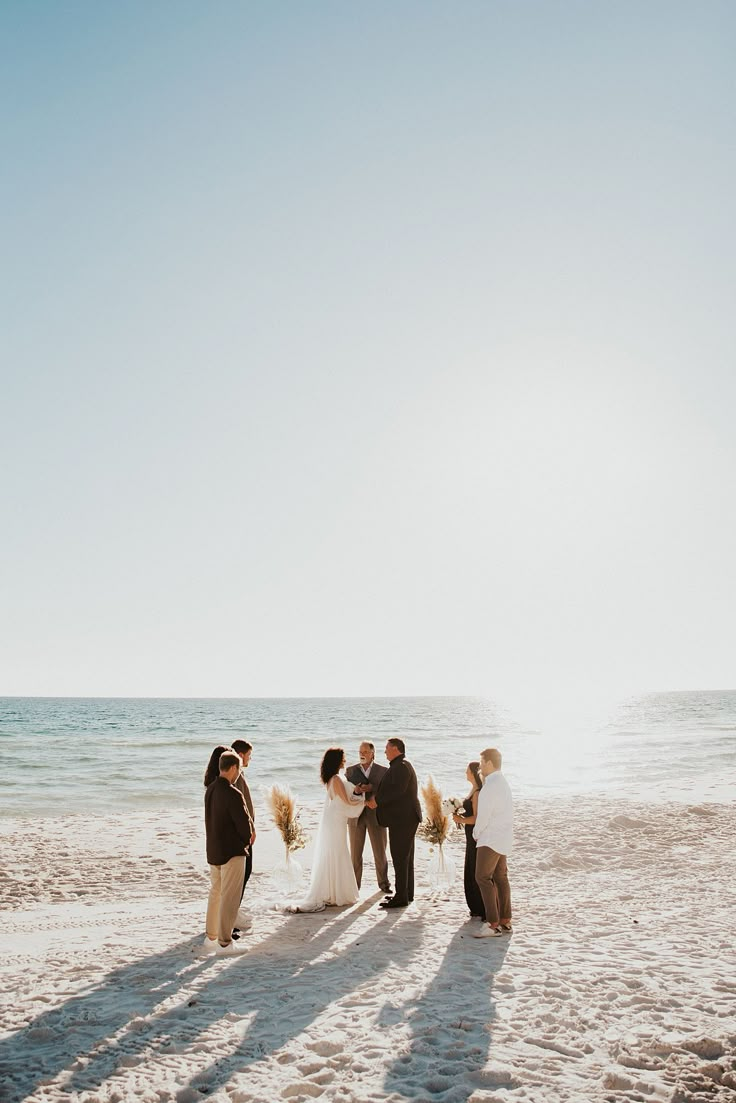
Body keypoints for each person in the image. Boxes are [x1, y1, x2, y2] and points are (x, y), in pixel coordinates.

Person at [293, 747, 365, 913]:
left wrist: (357, 792)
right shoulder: (337, 779)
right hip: (336, 820)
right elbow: (346, 801)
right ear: (337, 761)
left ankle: (333, 891)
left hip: (335, 818)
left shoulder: (332, 778)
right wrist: (363, 800)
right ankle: (336, 894)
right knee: (337, 851)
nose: (345, 760)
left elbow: (342, 799)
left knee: (335, 851)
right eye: (343, 758)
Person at [203, 749, 251, 954]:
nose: (239, 773)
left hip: (213, 849)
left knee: (215, 893)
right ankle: (225, 942)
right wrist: (245, 841)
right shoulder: (233, 793)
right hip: (231, 851)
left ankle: (210, 936)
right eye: (238, 769)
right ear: (232, 768)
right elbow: (244, 826)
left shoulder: (211, 789)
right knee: (230, 897)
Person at [366, 738, 421, 909]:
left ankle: (401, 896)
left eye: (387, 748)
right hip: (403, 818)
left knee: (400, 857)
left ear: (396, 749)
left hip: (403, 819)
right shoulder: (400, 765)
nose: (384, 752)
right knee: (405, 857)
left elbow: (398, 790)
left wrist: (377, 801)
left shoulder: (402, 766)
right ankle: (405, 894)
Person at [473, 747, 513, 938]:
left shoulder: (490, 786)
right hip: (503, 837)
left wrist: (476, 833)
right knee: (500, 877)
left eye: (481, 762)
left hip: (490, 838)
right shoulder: (503, 782)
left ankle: (492, 923)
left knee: (482, 877)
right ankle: (505, 920)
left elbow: (484, 816)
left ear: (488, 763)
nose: (480, 767)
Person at [346, 741, 391, 894]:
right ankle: (354, 886)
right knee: (355, 854)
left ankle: (384, 884)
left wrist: (373, 788)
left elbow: (387, 791)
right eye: (360, 751)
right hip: (356, 816)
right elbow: (346, 794)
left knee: (380, 852)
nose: (362, 754)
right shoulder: (350, 771)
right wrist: (357, 790)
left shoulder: (383, 771)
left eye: (365, 751)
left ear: (373, 753)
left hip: (376, 816)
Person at [452, 761, 485, 919]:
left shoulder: (478, 792)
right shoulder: (473, 789)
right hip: (469, 834)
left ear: (473, 772)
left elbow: (477, 818)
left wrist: (461, 819)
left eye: (467, 770)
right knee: (469, 867)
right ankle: (474, 905)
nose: (465, 772)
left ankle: (479, 905)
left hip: (474, 834)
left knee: (473, 868)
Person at [231, 739, 256, 916]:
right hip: (242, 834)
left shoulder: (238, 774)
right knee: (242, 874)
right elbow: (241, 807)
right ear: (240, 755)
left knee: (244, 874)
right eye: (249, 755)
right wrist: (249, 830)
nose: (249, 759)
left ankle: (232, 914)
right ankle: (231, 915)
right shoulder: (236, 776)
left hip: (244, 832)